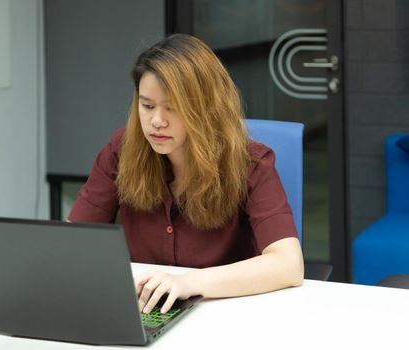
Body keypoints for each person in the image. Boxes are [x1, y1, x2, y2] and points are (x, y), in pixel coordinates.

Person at [68, 34, 304, 315]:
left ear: (206, 108)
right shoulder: (122, 149)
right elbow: (75, 241)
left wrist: (187, 283)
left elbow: (289, 265)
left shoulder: (249, 163)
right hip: (143, 309)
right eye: (147, 105)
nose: (157, 120)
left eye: (173, 107)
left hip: (226, 310)